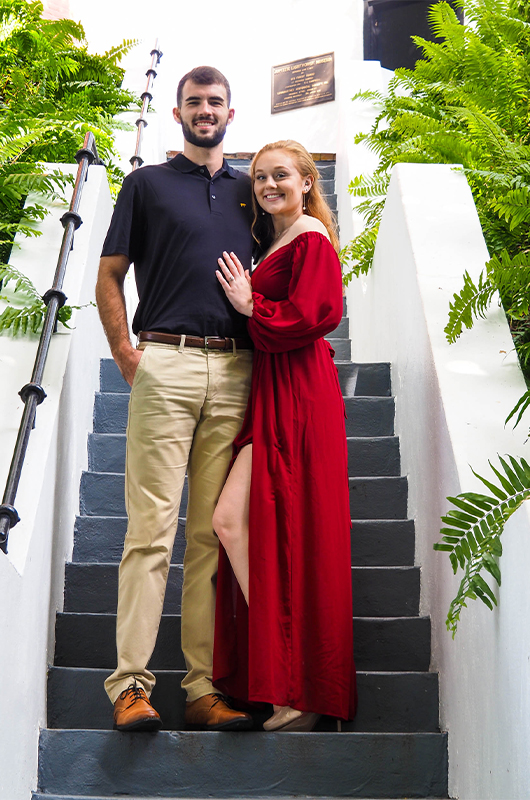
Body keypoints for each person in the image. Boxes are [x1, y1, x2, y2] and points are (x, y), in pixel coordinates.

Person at [95, 66, 256, 732]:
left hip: (236, 369)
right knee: (150, 532)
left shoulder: (253, 191)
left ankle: (202, 688)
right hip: (164, 361)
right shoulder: (145, 184)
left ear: (230, 111)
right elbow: (109, 275)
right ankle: (130, 685)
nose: (205, 111)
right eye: (195, 102)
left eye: (215, 102)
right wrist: (127, 355)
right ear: (178, 113)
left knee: (209, 538)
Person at [211, 140, 357, 732]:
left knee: (284, 526)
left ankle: (297, 688)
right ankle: (282, 669)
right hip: (270, 389)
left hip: (299, 391)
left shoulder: (312, 238)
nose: (269, 184)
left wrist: (251, 307)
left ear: (306, 182)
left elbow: (319, 314)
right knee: (231, 521)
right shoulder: (273, 240)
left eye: (282, 175)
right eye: (261, 177)